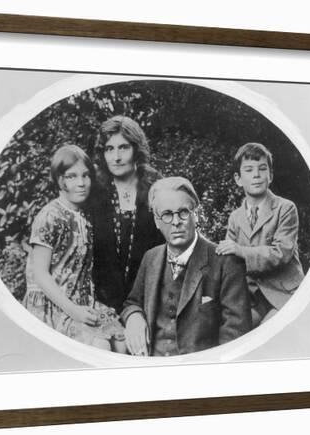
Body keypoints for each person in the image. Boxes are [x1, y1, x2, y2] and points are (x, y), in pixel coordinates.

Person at [121, 177, 252, 356]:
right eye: (167, 214)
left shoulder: (226, 262)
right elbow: (132, 302)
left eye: (183, 212)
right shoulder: (150, 257)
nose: (176, 222)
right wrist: (133, 317)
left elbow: (235, 334)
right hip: (151, 365)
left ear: (195, 214)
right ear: (157, 221)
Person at [22, 145, 126, 352]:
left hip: (82, 300)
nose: (81, 183)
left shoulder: (86, 215)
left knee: (122, 340)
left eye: (85, 176)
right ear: (60, 180)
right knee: (100, 346)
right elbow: (40, 275)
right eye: (71, 176)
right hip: (54, 303)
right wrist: (73, 310)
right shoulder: (49, 216)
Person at [216, 142, 305, 327]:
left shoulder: (285, 208)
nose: (256, 175)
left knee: (266, 333)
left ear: (270, 176)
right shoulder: (235, 217)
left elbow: (281, 253)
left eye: (262, 169)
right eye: (248, 170)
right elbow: (229, 263)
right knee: (231, 330)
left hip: (283, 293)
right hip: (252, 297)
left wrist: (240, 251)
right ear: (238, 179)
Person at [91, 116, 164, 314]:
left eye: (123, 147)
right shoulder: (95, 194)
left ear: (136, 150)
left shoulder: (156, 190)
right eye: (109, 149)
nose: (116, 157)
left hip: (150, 298)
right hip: (103, 302)